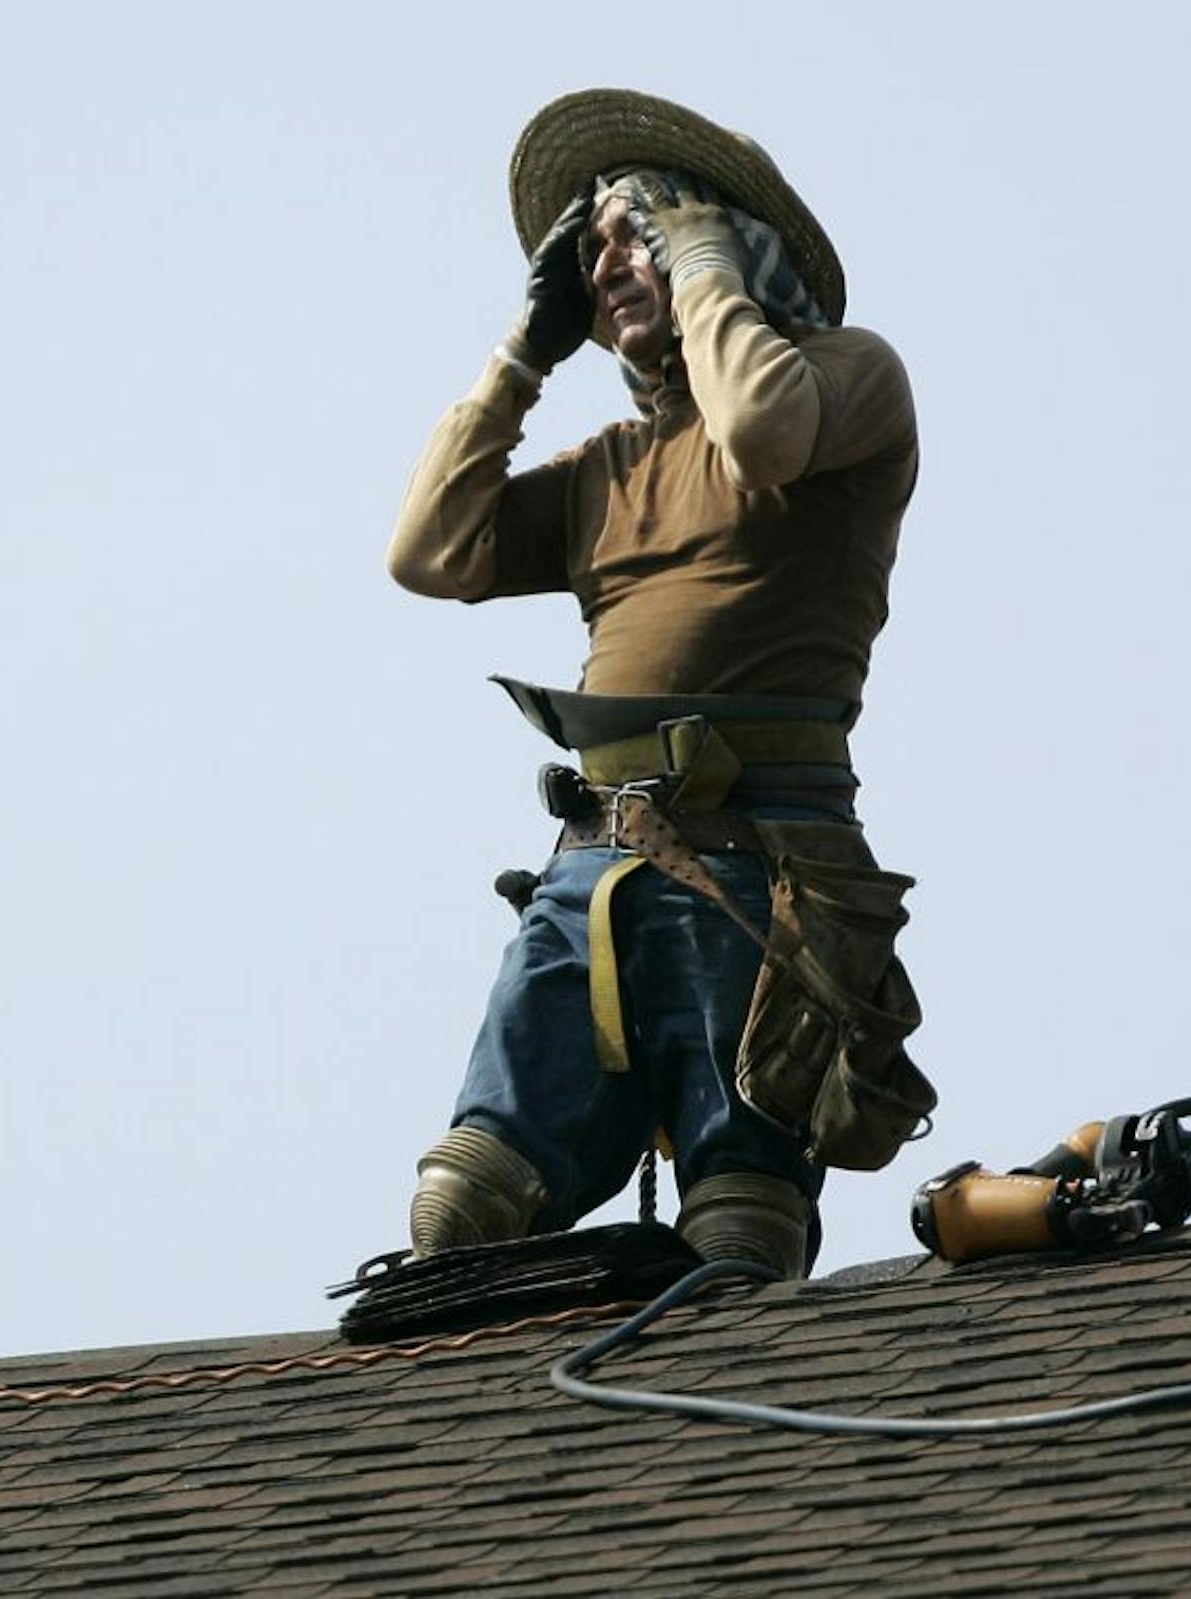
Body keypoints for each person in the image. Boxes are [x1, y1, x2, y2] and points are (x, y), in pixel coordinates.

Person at [387, 89, 926, 1280]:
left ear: (727, 247)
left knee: (742, 1228)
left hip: (763, 867)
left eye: (642, 234)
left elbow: (765, 433)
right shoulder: (608, 467)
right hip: (594, 871)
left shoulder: (846, 380)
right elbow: (428, 553)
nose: (611, 264)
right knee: (463, 1207)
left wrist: (699, 260)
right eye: (595, 254)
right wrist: (522, 355)